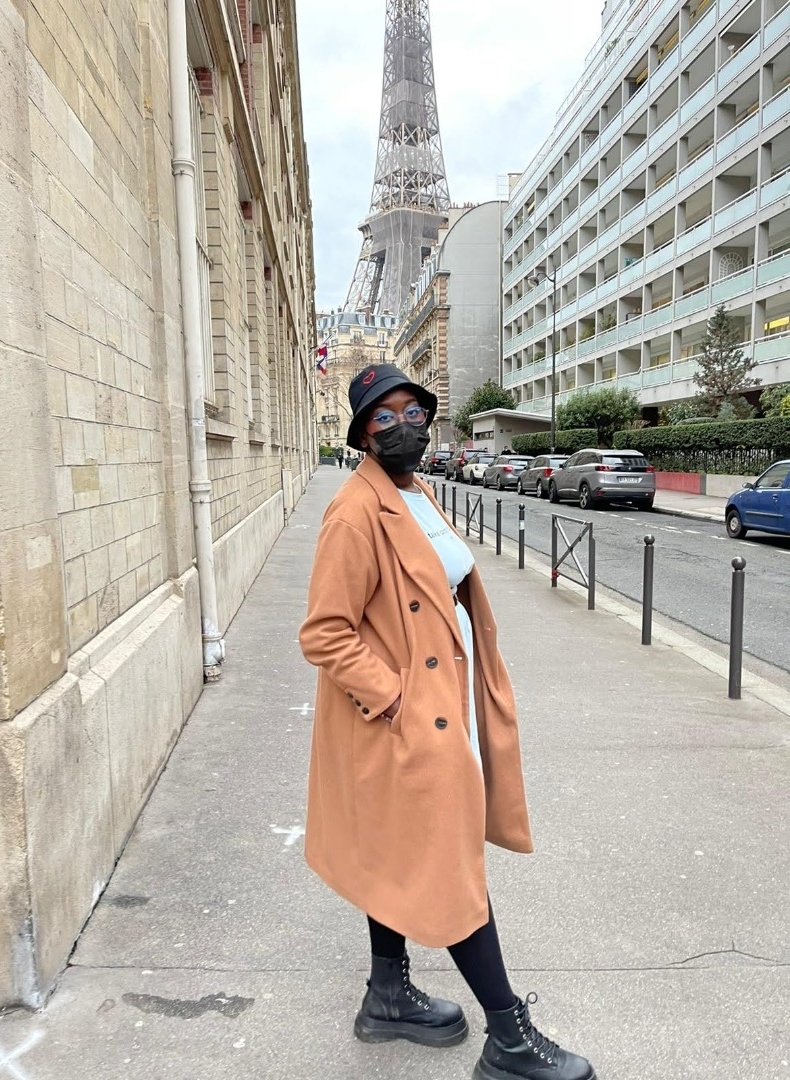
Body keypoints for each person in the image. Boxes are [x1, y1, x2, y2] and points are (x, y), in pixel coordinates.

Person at [299, 364, 595, 1080]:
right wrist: (397, 700)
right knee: (450, 863)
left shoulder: (416, 492)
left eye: (414, 411)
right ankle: (510, 1038)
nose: (404, 425)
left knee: (394, 852)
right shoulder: (354, 512)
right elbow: (325, 632)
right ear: (363, 435)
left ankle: (387, 995)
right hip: (407, 720)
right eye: (384, 416)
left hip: (442, 700)